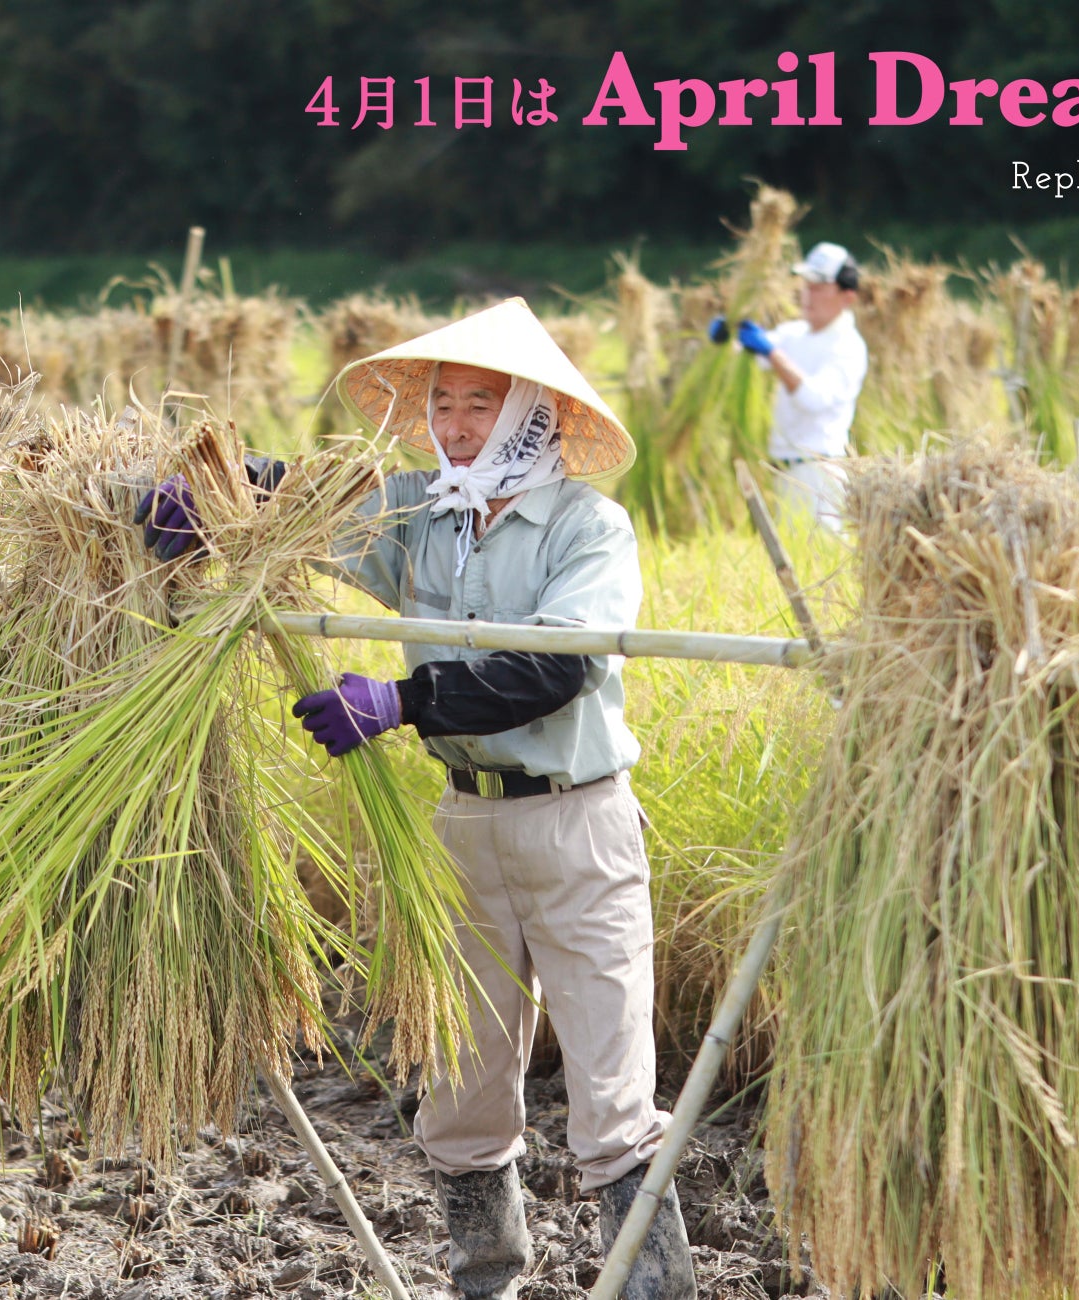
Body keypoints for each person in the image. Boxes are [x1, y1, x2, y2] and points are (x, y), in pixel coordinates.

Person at [136, 298, 695, 1300]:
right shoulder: (424, 517)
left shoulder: (587, 528)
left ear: (537, 414)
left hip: (577, 828)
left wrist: (402, 696)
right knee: (461, 1094)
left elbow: (556, 670)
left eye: (483, 404)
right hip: (462, 828)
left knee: (614, 1099)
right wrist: (219, 492)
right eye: (445, 403)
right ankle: (486, 1281)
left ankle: (657, 1288)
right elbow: (314, 503)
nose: (458, 424)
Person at [709, 241, 869, 533]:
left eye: (819, 287)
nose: (808, 295)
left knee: (820, 562)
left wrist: (771, 353)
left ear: (847, 296)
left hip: (819, 474)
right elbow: (751, 355)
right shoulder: (794, 334)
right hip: (783, 471)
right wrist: (727, 336)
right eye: (806, 285)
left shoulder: (849, 346)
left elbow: (814, 398)